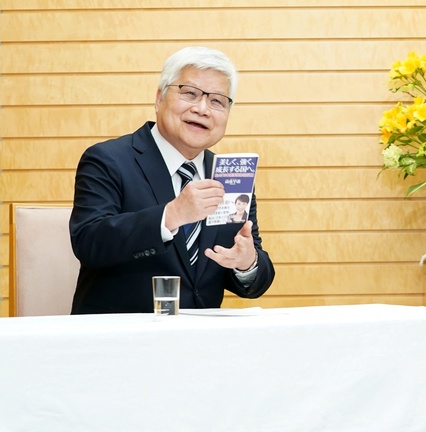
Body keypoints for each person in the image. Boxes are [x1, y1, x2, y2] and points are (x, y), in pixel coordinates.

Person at [69, 46, 275, 314]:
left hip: (200, 343)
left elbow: (255, 283)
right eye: (190, 93)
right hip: (121, 339)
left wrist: (247, 263)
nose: (202, 109)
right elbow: (89, 242)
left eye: (217, 101)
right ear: (159, 98)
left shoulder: (228, 174)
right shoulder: (108, 160)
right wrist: (171, 215)